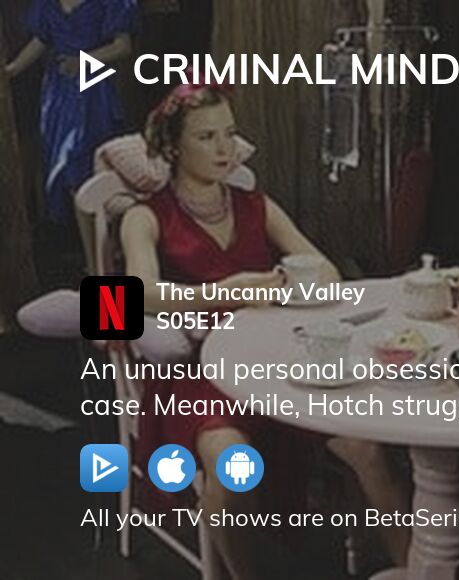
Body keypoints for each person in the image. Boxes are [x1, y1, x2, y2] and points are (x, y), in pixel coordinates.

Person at [121, 81, 340, 580]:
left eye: (229, 133)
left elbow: (325, 270)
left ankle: (419, 568)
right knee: (234, 463)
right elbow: (138, 294)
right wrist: (224, 292)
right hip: (194, 371)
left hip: (271, 357)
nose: (224, 149)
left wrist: (292, 284)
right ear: (173, 147)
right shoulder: (144, 216)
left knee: (369, 446)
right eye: (206, 137)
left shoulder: (256, 205)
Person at [4, 0, 135, 224]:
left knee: (83, 161)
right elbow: (41, 40)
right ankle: (74, 235)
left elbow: (123, 46)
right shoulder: (48, 5)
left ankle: (100, 238)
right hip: (58, 92)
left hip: (92, 87)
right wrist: (12, 70)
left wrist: (83, 61)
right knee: (62, 167)